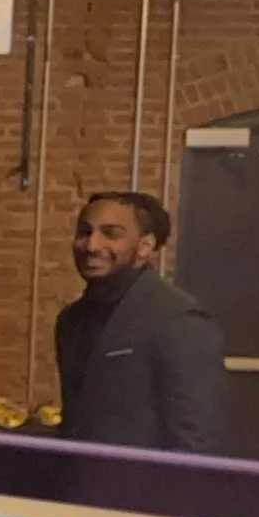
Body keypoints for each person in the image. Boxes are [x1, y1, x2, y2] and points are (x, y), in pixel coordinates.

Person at [56, 191, 225, 453]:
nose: (91, 245)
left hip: (149, 489)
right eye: (84, 232)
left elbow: (196, 439)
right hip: (80, 485)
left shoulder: (177, 318)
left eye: (110, 234)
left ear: (145, 247)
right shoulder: (70, 320)